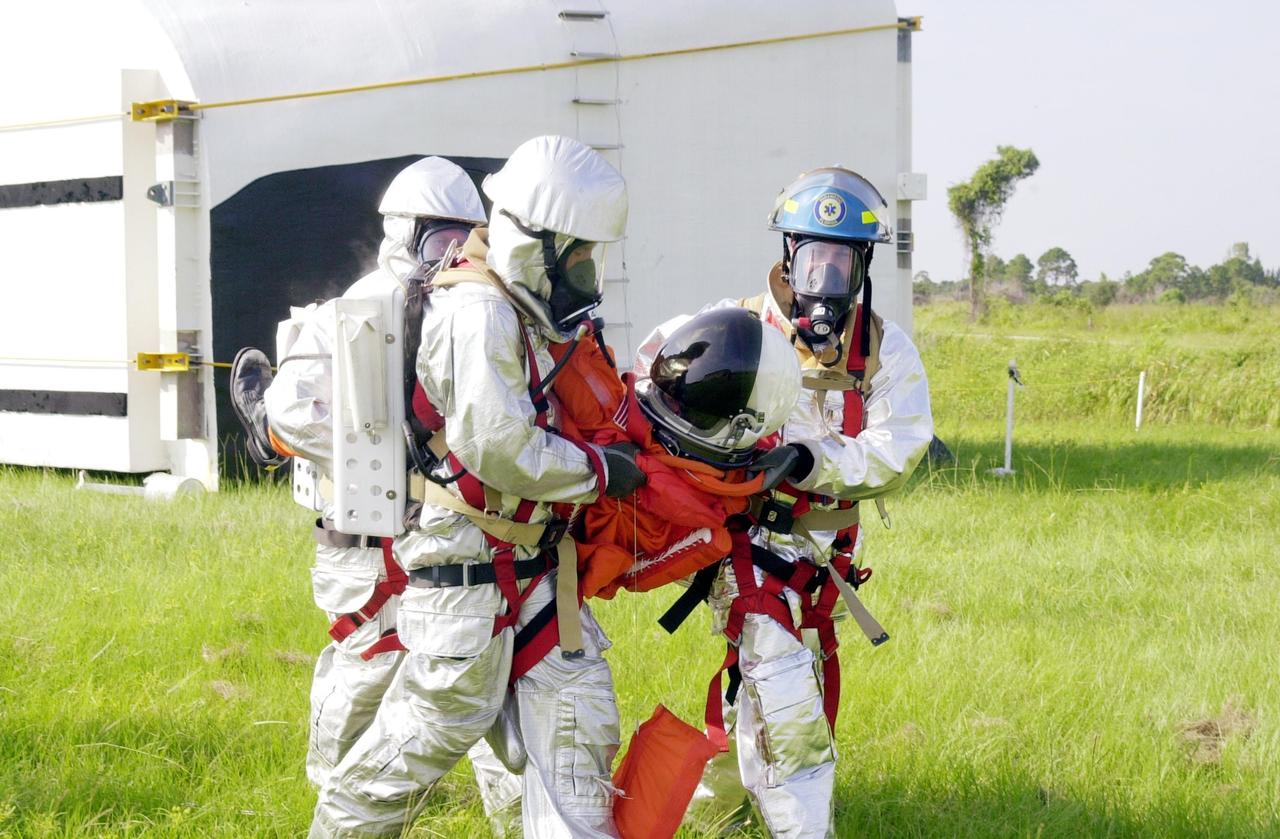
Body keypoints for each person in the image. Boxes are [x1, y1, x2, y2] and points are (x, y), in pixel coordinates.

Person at [309, 135, 640, 839]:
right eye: (578, 254)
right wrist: (599, 472)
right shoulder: (478, 311)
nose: (588, 271)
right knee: (425, 732)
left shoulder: (519, 307)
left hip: (533, 563)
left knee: (577, 714)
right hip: (463, 573)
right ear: (539, 244)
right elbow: (498, 447)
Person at [658, 167, 935, 838]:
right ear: (789, 256)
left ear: (863, 265)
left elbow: (900, 447)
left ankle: (697, 813)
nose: (825, 277)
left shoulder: (883, 348)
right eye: (814, 256)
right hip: (748, 548)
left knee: (768, 686)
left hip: (829, 558)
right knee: (785, 698)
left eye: (841, 260)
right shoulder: (740, 326)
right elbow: (661, 377)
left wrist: (811, 460)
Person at [230, 156, 489, 788]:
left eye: (466, 239)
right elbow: (295, 414)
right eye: (441, 239)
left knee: (472, 672)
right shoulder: (360, 307)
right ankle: (333, 796)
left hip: (446, 533)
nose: (454, 255)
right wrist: (392, 452)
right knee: (366, 665)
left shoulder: (480, 312)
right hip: (367, 538)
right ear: (404, 234)